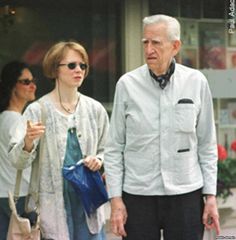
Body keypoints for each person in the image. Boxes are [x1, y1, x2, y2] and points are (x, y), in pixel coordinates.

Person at [104, 14, 220, 240]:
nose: (149, 49)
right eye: (145, 42)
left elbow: (207, 144)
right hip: (139, 194)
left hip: (185, 193)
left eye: (156, 42)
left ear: (175, 46)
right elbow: (114, 146)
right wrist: (116, 201)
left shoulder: (196, 82)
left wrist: (211, 197)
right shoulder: (127, 85)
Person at [8, 41, 109, 240]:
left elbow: (109, 150)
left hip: (88, 202)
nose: (78, 70)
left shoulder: (94, 109)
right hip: (52, 207)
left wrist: (99, 160)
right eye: (71, 65)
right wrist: (28, 142)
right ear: (55, 69)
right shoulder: (38, 110)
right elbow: (16, 161)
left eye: (83, 65)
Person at [0, 61, 36, 239]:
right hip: (19, 196)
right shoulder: (17, 122)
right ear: (12, 86)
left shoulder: (3, 118)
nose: (33, 85)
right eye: (26, 81)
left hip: (3, 193)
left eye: (32, 81)